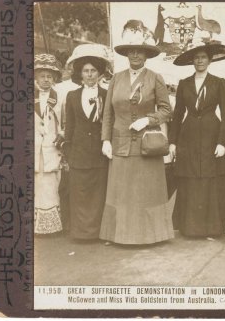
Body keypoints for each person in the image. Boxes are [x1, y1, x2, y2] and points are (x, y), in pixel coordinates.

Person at [99, 20, 174, 244]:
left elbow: (166, 110)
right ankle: (119, 236)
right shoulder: (116, 78)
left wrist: (148, 120)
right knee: (121, 192)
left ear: (146, 55)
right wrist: (105, 140)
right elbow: (108, 113)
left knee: (146, 192)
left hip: (147, 144)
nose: (135, 56)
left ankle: (152, 236)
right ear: (126, 55)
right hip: (120, 143)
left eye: (139, 52)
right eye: (131, 51)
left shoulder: (155, 78)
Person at [169, 39, 225, 237]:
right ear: (192, 61)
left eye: (203, 57)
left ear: (210, 60)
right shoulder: (184, 84)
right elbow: (178, 114)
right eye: (196, 58)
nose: (200, 61)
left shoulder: (218, 83)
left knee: (211, 179)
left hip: (212, 134)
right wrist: (172, 141)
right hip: (188, 136)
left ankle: (213, 228)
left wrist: (222, 141)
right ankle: (191, 227)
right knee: (190, 179)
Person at [63, 45, 111, 239]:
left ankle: (97, 232)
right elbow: (70, 126)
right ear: (80, 73)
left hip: (99, 152)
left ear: (99, 73)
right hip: (79, 152)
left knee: (98, 193)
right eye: (86, 71)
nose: (90, 75)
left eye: (93, 71)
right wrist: (68, 150)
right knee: (80, 193)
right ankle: (80, 233)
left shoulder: (106, 95)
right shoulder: (72, 96)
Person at [34, 54, 66, 234]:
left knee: (52, 185)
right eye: (42, 76)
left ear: (54, 79)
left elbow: (65, 122)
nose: (46, 80)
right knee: (37, 185)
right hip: (34, 148)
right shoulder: (28, 97)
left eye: (49, 76)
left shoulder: (60, 98)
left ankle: (52, 227)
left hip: (52, 148)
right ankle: (37, 226)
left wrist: (62, 134)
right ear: (36, 77)